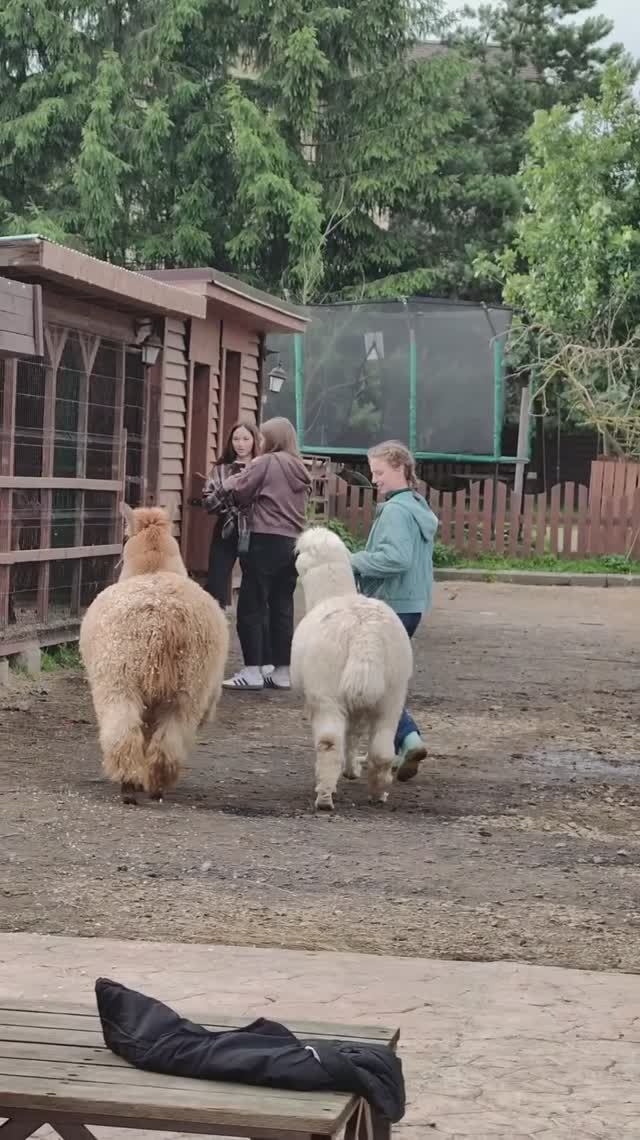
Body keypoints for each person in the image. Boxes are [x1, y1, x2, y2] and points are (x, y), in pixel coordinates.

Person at [350, 440, 438, 782]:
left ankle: (408, 739)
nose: (375, 479)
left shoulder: (396, 511)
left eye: (379, 472)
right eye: (373, 473)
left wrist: (353, 560)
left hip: (393, 605)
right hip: (411, 604)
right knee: (386, 679)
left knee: (378, 685)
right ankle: (401, 743)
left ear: (399, 468)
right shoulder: (415, 505)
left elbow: (397, 558)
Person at [209, 417, 311, 691]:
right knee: (282, 607)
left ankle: (252, 671)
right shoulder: (299, 467)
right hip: (292, 542)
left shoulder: (265, 462)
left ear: (273, 439)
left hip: (263, 539)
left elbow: (241, 494)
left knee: (251, 606)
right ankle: (281, 671)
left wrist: (231, 484)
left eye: (263, 437)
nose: (260, 442)